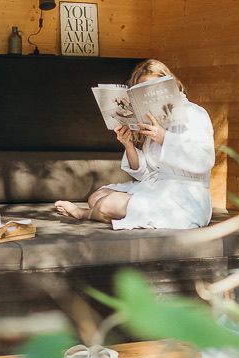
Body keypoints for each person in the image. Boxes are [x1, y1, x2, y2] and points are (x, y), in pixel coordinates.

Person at [54, 59, 215, 230]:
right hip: (157, 189)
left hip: (185, 200)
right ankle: (100, 210)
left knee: (107, 204)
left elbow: (204, 161)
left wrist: (164, 138)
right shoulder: (153, 121)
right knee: (97, 197)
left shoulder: (194, 113)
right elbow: (147, 173)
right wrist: (129, 145)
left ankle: (84, 214)